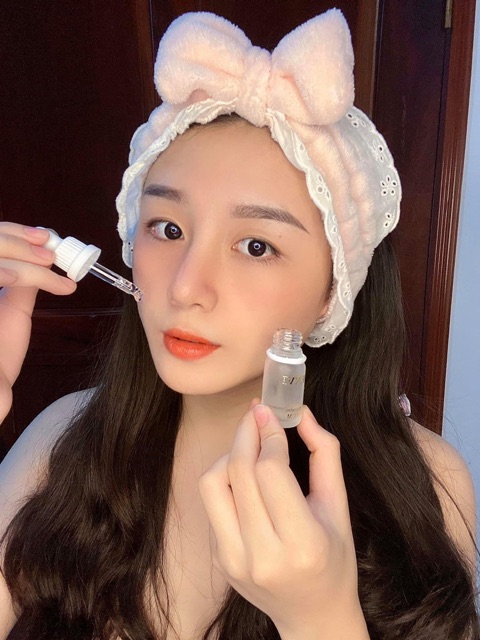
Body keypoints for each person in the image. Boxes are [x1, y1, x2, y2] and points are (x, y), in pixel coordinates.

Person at [0, 9, 478, 640]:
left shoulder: (426, 483)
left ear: (333, 291)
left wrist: (320, 617)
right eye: (168, 228)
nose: (185, 288)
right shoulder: (60, 441)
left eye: (256, 246)